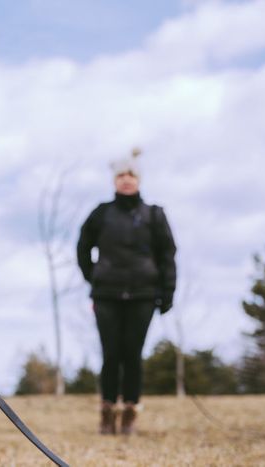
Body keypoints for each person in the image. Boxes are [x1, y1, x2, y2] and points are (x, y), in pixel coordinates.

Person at [76, 148, 177, 435]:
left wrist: (167, 292)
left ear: (139, 180)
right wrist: (93, 277)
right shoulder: (101, 213)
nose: (126, 180)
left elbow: (168, 254)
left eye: (131, 174)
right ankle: (107, 413)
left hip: (143, 295)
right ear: (114, 180)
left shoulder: (154, 215)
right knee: (111, 354)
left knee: (133, 354)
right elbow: (82, 248)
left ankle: (130, 413)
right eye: (121, 175)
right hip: (106, 295)